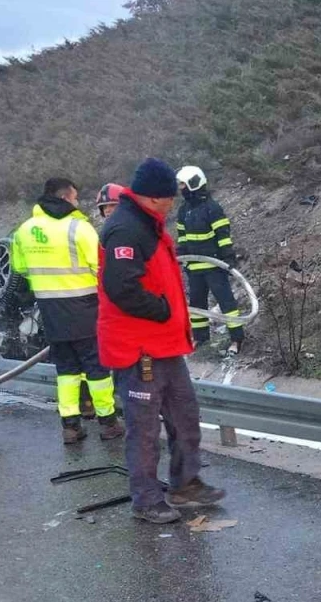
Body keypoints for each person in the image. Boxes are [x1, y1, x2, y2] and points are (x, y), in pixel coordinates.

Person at [97, 157, 226, 525]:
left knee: (185, 416)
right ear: (156, 198)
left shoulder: (148, 225)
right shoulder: (126, 229)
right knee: (145, 429)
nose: (174, 204)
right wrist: (163, 309)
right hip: (139, 350)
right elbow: (121, 287)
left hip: (165, 346)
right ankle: (147, 499)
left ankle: (186, 483)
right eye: (170, 198)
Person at [10, 178, 123, 444]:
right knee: (97, 368)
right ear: (65, 198)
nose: (76, 202)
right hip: (85, 307)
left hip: (50, 310)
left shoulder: (24, 230)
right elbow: (102, 267)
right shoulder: (79, 228)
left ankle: (70, 426)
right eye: (74, 198)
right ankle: (108, 422)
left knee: (67, 370)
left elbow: (20, 268)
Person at [174, 165, 244, 355]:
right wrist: (181, 256)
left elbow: (223, 234)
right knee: (197, 305)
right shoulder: (184, 210)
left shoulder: (212, 208)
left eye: (183, 184)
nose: (181, 188)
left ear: (193, 184)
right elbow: (182, 236)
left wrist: (228, 256)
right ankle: (200, 337)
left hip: (214, 266)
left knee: (226, 304)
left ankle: (237, 340)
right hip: (194, 267)